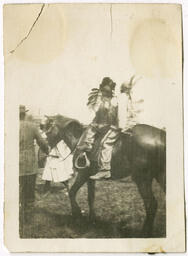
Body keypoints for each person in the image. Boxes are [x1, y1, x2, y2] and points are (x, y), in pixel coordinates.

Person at [77, 77, 119, 180]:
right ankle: (87, 149)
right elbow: (96, 111)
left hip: (109, 125)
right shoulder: (100, 99)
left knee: (104, 144)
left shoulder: (114, 101)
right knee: (89, 131)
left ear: (111, 91)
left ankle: (105, 169)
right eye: (103, 91)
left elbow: (112, 116)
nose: (105, 93)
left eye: (107, 91)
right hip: (99, 124)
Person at [19, 105, 49, 221]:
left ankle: (18, 209)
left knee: (19, 186)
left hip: (15, 163)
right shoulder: (32, 126)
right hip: (30, 162)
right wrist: (47, 150)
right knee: (30, 188)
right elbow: (42, 142)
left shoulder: (8, 126)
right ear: (24, 113)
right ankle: (28, 214)